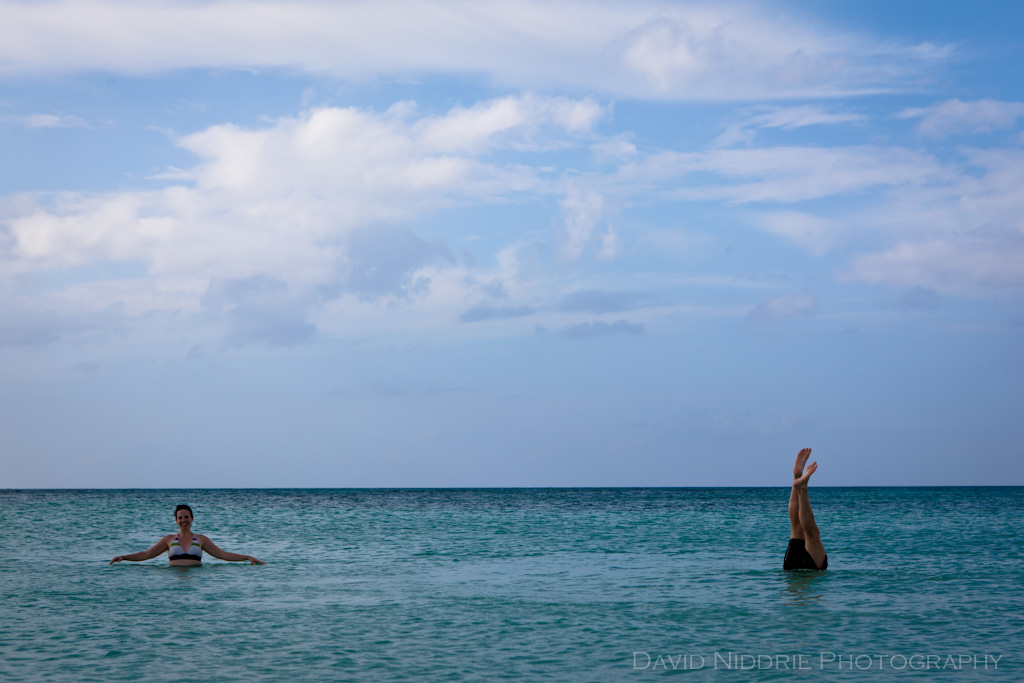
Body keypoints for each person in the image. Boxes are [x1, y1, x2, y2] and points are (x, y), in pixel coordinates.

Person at [110, 504, 264, 566]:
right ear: (176, 520)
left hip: (195, 580)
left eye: (186, 517)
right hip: (173, 580)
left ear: (192, 518)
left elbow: (223, 555)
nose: (184, 520)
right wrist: (124, 557)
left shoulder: (201, 539)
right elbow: (146, 554)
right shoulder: (169, 540)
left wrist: (246, 557)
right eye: (180, 517)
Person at [784, 448, 827, 571]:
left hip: (795, 570)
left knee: (811, 534)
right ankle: (798, 479)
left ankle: (800, 485)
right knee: (797, 530)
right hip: (796, 569)